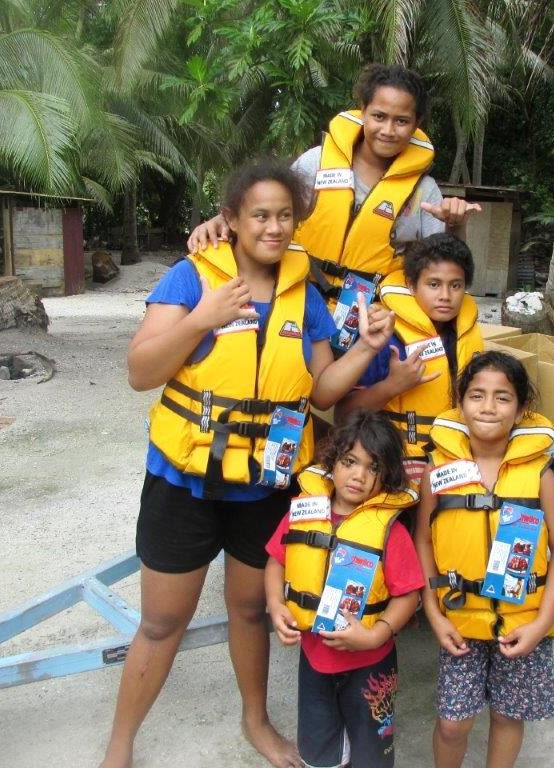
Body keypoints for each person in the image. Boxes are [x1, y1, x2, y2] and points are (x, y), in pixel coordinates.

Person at [100, 160, 396, 768]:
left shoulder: (304, 294)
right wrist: (203, 319)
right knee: (162, 622)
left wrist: (366, 347)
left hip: (265, 486)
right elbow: (140, 371)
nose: (274, 227)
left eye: (285, 215)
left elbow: (321, 391)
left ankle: (255, 721)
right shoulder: (191, 278)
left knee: (249, 609)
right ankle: (120, 745)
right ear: (230, 219)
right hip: (184, 482)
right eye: (260, 215)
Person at [188, 64, 481, 303]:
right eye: (379, 116)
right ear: (363, 111)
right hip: (299, 295)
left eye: (401, 121)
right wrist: (223, 221)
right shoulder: (316, 162)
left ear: (416, 124)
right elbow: (266, 206)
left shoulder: (424, 191)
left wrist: (455, 225)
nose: (388, 130)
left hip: (366, 313)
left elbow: (447, 265)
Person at [413, 352, 554, 768]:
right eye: (476, 395)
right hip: (459, 623)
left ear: (521, 410)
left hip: (523, 624)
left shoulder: (540, 474)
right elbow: (424, 542)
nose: (488, 407)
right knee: (452, 724)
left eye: (502, 397)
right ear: (460, 404)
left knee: (507, 716)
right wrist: (434, 614)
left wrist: (541, 624)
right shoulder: (438, 469)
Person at [265, 410, 424, 768]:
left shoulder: (391, 531)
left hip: (372, 665)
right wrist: (276, 604)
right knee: (321, 750)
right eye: (350, 462)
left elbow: (408, 594)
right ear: (332, 463)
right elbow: (276, 561)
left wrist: (376, 635)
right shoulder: (303, 513)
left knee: (372, 754)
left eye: (373, 467)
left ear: (387, 477)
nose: (358, 475)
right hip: (314, 660)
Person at [335, 233, 484, 481]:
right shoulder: (385, 337)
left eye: (455, 285)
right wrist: (392, 386)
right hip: (396, 463)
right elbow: (343, 415)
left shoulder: (467, 335)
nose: (445, 295)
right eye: (434, 284)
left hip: (456, 460)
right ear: (411, 285)